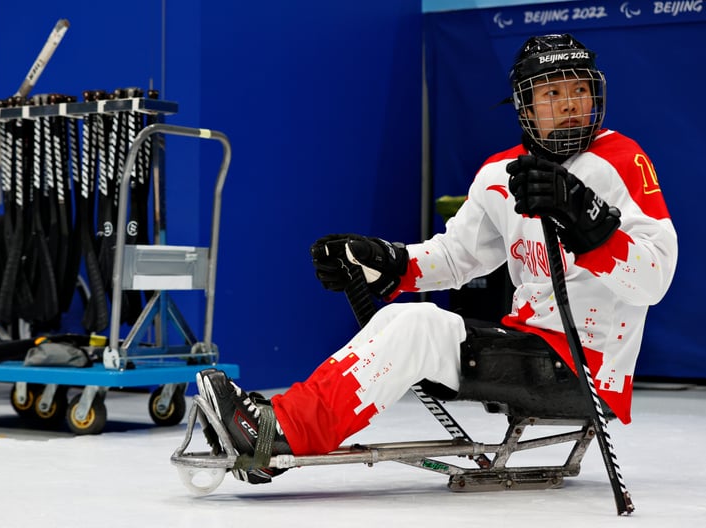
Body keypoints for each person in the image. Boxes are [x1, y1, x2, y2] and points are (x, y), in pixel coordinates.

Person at [196, 33, 678, 485]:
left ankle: (275, 434)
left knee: (416, 326)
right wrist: (387, 261)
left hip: (586, 366)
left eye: (579, 90)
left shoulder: (620, 160)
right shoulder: (500, 174)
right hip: (527, 343)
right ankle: (275, 428)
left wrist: (586, 219)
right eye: (552, 92)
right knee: (402, 319)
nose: (571, 104)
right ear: (525, 105)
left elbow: (654, 278)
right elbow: (456, 255)